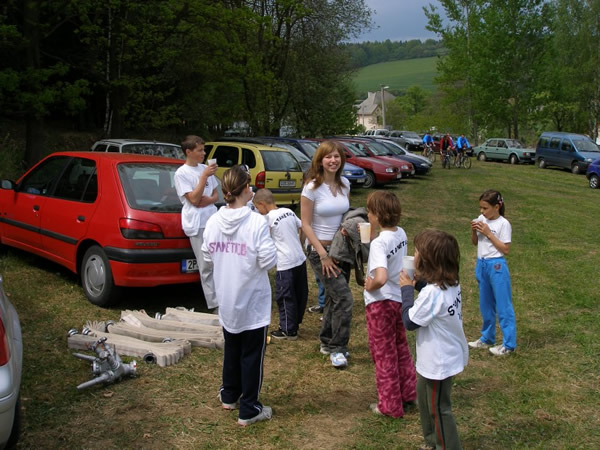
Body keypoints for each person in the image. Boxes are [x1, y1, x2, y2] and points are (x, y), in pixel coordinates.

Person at [201, 165, 277, 426]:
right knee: (252, 354)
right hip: (252, 300)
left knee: (232, 349)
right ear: (247, 188)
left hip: (227, 297)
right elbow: (268, 261)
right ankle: (249, 409)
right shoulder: (256, 222)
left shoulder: (213, 221)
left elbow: (207, 255)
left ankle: (229, 395)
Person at [400, 229, 468, 450]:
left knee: (439, 409)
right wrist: (417, 284)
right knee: (425, 402)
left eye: (417, 252)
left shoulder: (432, 294)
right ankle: (432, 442)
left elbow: (410, 321)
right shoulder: (450, 283)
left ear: (427, 261)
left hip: (439, 363)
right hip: (438, 358)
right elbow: (433, 299)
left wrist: (406, 290)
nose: (414, 254)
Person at [300, 140, 354, 369]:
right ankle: (338, 348)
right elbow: (305, 224)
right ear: (320, 161)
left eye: (337, 156)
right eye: (328, 156)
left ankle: (326, 341)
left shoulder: (345, 184)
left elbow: (343, 215)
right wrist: (323, 255)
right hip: (319, 251)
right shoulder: (311, 187)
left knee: (334, 296)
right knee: (344, 298)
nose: (333, 160)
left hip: (342, 249)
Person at [363, 191, 417, 418]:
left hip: (380, 304)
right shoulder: (400, 233)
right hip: (398, 299)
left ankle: (390, 405)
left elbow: (381, 277)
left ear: (377, 215)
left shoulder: (379, 243)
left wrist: (370, 285)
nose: (367, 215)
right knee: (400, 347)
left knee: (384, 354)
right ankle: (408, 393)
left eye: (369, 211)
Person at [253, 188, 308, 341]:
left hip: (285, 264)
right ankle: (295, 323)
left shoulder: (267, 219)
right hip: (300, 258)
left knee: (285, 296)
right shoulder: (288, 212)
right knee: (300, 293)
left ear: (262, 204)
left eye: (257, 208)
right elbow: (303, 226)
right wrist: (300, 242)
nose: (258, 212)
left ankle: (287, 330)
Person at [174, 135, 219, 311]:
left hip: (212, 219)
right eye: (200, 150)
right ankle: (215, 304)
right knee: (205, 264)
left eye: (203, 149)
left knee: (218, 260)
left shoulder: (205, 168)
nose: (203, 153)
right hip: (197, 223)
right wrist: (203, 178)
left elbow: (215, 194)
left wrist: (209, 200)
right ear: (189, 152)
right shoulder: (181, 173)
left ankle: (225, 297)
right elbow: (193, 199)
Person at [469, 190, 516, 356]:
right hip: (482, 264)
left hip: (496, 266)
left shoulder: (504, 224)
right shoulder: (482, 219)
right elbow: (475, 243)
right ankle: (487, 338)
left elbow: (505, 249)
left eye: (485, 208)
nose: (482, 211)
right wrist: (474, 231)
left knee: (503, 305)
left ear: (497, 207)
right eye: (480, 208)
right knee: (486, 305)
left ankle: (508, 344)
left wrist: (488, 234)